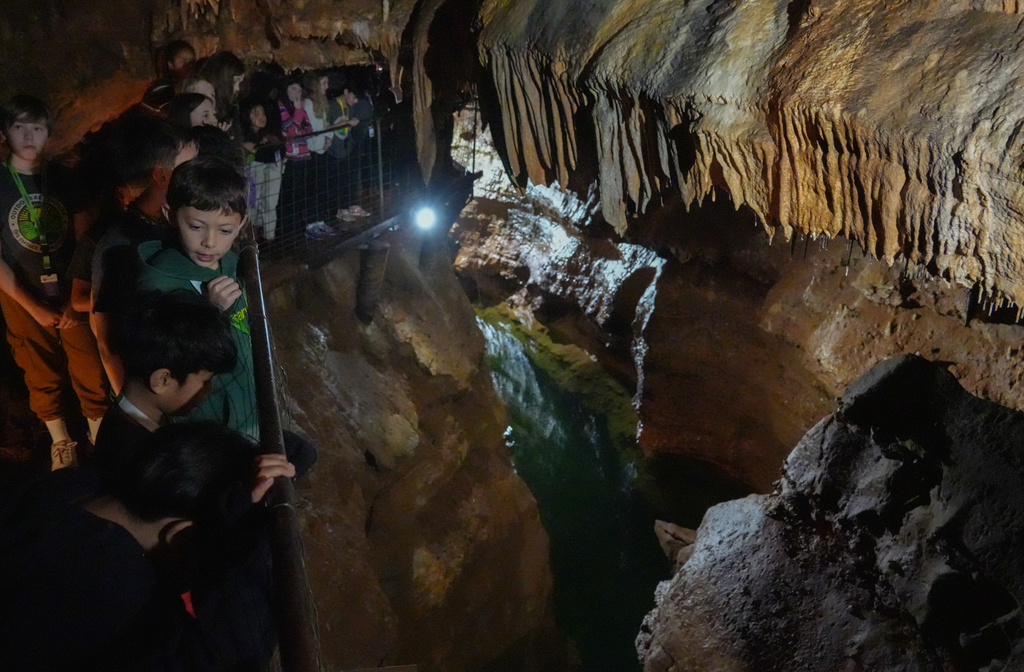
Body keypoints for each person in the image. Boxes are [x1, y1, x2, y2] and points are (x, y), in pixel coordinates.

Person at [0, 420, 295, 672]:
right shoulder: (123, 597)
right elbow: (228, 651)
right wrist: (245, 541)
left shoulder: (71, 485)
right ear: (180, 535)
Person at [0, 95, 108, 468]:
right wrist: (30, 305)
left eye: (38, 128)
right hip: (20, 294)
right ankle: (61, 442)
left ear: (48, 134)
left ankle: (99, 432)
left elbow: (83, 238)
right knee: (37, 365)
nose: (29, 136)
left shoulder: (64, 179)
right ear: (5, 132)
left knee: (88, 360)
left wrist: (74, 296)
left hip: (69, 291)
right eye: (19, 127)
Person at [137, 156, 259, 441]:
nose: (210, 242)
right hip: (203, 417)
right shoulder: (158, 282)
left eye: (225, 230)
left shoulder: (232, 264)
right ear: (170, 215)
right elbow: (163, 358)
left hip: (248, 400)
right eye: (196, 227)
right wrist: (211, 312)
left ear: (241, 226)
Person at [77, 115, 197, 394]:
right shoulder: (120, 244)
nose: (198, 175)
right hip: (154, 393)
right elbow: (108, 343)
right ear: (161, 174)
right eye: (188, 167)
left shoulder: (175, 227)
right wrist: (137, 414)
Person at [95, 290, 237, 474]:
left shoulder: (132, 421)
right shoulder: (147, 459)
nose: (209, 389)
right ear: (162, 380)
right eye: (206, 381)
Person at [328, 84, 374, 223]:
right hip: (336, 148)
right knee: (340, 178)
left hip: (347, 145)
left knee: (351, 176)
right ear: (346, 92)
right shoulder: (333, 106)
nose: (355, 102)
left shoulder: (348, 107)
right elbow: (328, 125)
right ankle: (341, 208)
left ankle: (350, 204)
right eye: (354, 98)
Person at [241, 99, 283, 243]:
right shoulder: (244, 137)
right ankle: (254, 237)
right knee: (254, 202)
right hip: (255, 168)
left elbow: (281, 149)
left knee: (270, 202)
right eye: (256, 114)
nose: (262, 117)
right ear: (248, 116)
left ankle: (269, 237)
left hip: (272, 166)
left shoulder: (271, 134)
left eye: (263, 113)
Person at [141, 40, 197, 113]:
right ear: (170, 64)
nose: (188, 66)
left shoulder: (199, 85)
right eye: (182, 61)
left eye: (191, 61)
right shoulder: (159, 91)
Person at [197, 51, 246, 134]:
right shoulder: (201, 105)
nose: (238, 88)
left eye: (240, 82)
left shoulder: (231, 108)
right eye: (235, 82)